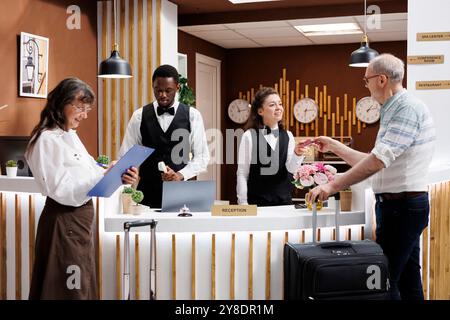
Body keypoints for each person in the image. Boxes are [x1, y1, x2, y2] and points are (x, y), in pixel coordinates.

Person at [306, 54, 436, 300]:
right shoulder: (394, 108)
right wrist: (334, 146)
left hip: (402, 207)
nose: (365, 85)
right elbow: (375, 159)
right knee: (407, 279)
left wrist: (332, 185)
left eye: (366, 80)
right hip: (398, 206)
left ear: (382, 79)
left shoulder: (406, 109)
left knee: (384, 282)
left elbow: (377, 161)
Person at [25, 78, 138, 299]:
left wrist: (113, 172)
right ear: (61, 103)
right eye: (80, 107)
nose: (84, 115)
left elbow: (88, 173)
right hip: (64, 223)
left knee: (79, 286)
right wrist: (102, 176)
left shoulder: (69, 136)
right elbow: (62, 190)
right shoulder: (46, 140)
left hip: (77, 224)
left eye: (87, 109)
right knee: (68, 290)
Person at [119, 64, 209, 208]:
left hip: (182, 193)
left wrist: (180, 175)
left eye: (168, 90)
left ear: (177, 88)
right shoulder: (139, 116)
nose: (163, 95)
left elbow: (203, 157)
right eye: (158, 90)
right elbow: (125, 156)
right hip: (146, 194)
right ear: (153, 87)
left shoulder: (193, 115)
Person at [237, 87, 307, 206]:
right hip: (257, 204)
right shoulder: (249, 136)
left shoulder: (288, 135)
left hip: (284, 203)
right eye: (272, 105)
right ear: (260, 111)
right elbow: (242, 173)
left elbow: (291, 169)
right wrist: (243, 203)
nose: (278, 108)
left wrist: (297, 154)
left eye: (280, 104)